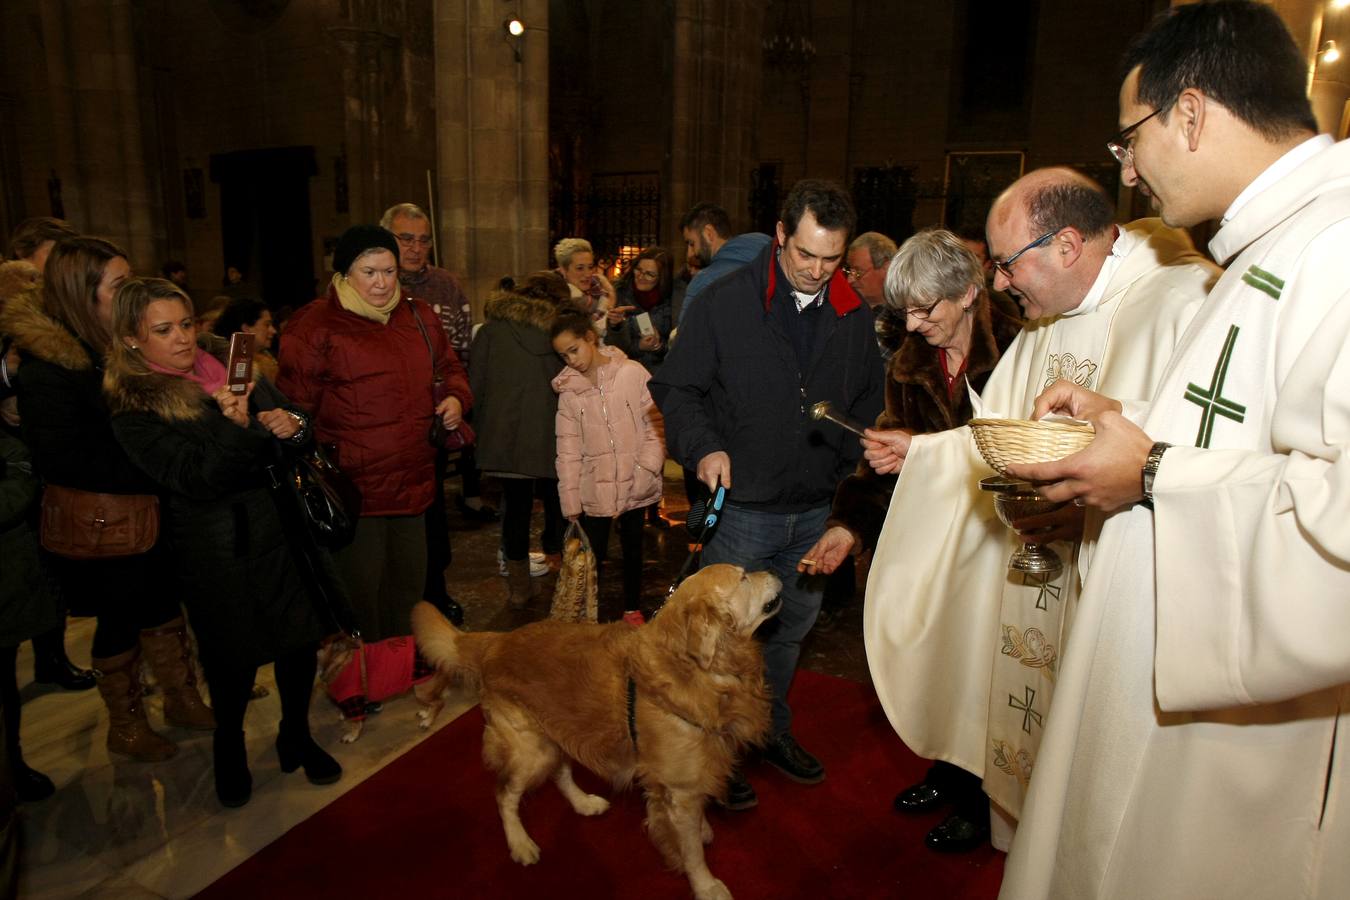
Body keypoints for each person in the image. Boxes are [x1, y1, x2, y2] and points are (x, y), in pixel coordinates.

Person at [997, 4, 1350, 896]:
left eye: (1129, 140)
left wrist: (1151, 472)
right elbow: (1247, 423)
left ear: (1188, 113)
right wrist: (1132, 418)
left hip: (1254, 734)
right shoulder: (1272, 238)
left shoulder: (1339, 244)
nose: (1129, 170)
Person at [860, 168, 1217, 854]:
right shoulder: (1046, 325)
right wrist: (924, 453)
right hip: (1038, 565)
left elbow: (1195, 454)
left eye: (1003, 264)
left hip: (1113, 577)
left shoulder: (1180, 301)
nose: (997, 284)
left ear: (1067, 246)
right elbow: (992, 433)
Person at [651, 179, 885, 808]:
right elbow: (678, 391)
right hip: (743, 513)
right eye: (805, 254)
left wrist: (843, 474)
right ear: (781, 235)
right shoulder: (725, 301)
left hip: (813, 511)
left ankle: (768, 733)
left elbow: (867, 407)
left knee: (787, 637)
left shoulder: (852, 314)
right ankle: (717, 753)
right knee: (724, 644)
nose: (816, 271)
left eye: (830, 259)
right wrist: (704, 447)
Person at [801, 228, 1023, 838]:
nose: (915, 324)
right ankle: (949, 772)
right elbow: (884, 459)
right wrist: (848, 525)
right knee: (943, 659)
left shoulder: (1024, 348)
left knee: (989, 673)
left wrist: (921, 449)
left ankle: (987, 802)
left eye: (928, 309)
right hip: (941, 540)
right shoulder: (911, 363)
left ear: (970, 293)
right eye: (905, 312)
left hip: (1006, 537)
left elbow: (1024, 446)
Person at [104, 277, 341, 807]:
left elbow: (299, 424)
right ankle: (229, 748)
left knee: (298, 639)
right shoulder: (135, 407)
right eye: (163, 330)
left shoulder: (230, 365)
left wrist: (289, 423)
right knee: (233, 659)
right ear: (132, 340)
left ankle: (294, 735)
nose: (183, 339)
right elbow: (197, 478)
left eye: (186, 324)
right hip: (217, 548)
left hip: (281, 528)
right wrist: (237, 430)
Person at [0, 238, 215, 762]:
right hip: (105, 521)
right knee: (120, 619)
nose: (129, 291)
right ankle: (125, 723)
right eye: (118, 285)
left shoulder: (117, 347)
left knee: (165, 605)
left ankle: (182, 697)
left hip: (151, 507)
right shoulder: (50, 368)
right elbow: (64, 458)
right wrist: (156, 463)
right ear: (83, 293)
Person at [278, 225, 471, 642]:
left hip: (415, 478)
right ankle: (364, 678)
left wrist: (456, 398)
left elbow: (451, 369)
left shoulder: (418, 315)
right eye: (369, 272)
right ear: (345, 274)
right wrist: (288, 426)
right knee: (361, 594)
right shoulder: (314, 325)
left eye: (389, 271)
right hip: (353, 488)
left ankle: (399, 670)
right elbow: (295, 406)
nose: (382, 283)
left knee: (408, 590)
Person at [1, 219, 94, 691]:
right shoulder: (12, 303)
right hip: (13, 458)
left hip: (42, 450)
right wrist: (6, 376)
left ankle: (51, 657)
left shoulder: (62, 309)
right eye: (51, 258)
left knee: (43, 568)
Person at [380, 202, 496, 524]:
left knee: (431, 502)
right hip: (389, 412)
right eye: (406, 239)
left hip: (437, 407)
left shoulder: (446, 285)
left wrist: (458, 395)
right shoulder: (376, 286)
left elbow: (460, 350)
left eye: (424, 240)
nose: (417, 248)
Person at [551, 309, 665, 625]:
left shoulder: (632, 373)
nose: (571, 360)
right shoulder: (569, 392)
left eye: (574, 349)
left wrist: (646, 470)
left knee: (633, 548)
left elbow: (656, 424)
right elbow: (568, 450)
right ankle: (589, 615)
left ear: (590, 338)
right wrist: (570, 500)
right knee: (592, 555)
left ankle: (632, 608)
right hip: (594, 486)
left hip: (634, 481)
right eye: (563, 355)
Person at [469, 272, 568, 606]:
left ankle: (519, 588)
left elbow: (475, 387)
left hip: (506, 435)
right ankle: (567, 576)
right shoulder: (558, 332)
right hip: (553, 435)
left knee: (516, 509)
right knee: (562, 505)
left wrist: (481, 432)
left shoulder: (491, 331)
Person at [677, 202, 773, 326]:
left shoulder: (704, 281)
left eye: (691, 243)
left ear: (708, 234)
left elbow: (686, 338)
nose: (691, 253)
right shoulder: (768, 252)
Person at [605, 247, 682, 374]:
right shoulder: (619, 294)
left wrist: (658, 346)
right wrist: (615, 326)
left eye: (650, 274)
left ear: (662, 278)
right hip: (626, 373)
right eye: (638, 270)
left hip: (661, 374)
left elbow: (679, 349)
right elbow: (611, 348)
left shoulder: (674, 299)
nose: (641, 276)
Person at [212, 297, 279, 380]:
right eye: (267, 325)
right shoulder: (233, 369)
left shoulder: (266, 361)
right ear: (246, 328)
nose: (273, 331)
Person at [554, 238, 614, 328]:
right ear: (563, 270)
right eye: (580, 268)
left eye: (590, 267)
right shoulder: (556, 300)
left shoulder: (599, 289)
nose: (588, 274)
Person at [843, 231, 896, 310]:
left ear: (886, 268)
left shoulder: (905, 316)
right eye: (849, 271)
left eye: (858, 271)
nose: (849, 280)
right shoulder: (843, 311)